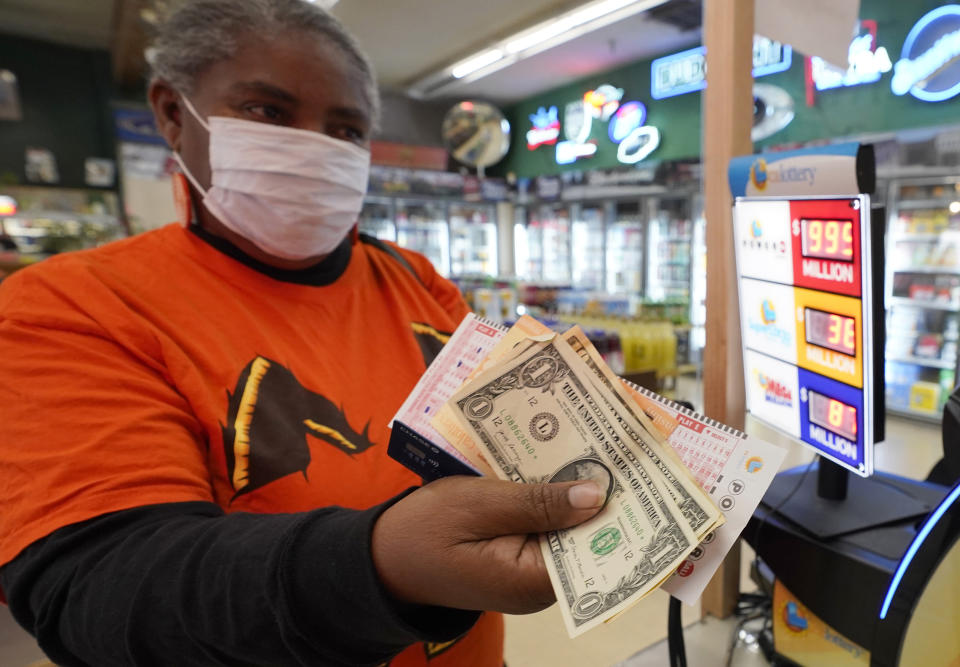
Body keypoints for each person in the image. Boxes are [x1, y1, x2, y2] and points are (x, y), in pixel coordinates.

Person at [0, 1, 606, 666]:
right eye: (267, 111)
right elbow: (104, 586)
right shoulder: (71, 307)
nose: (314, 146)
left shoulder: (418, 281)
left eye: (345, 130)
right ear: (173, 113)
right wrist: (375, 567)